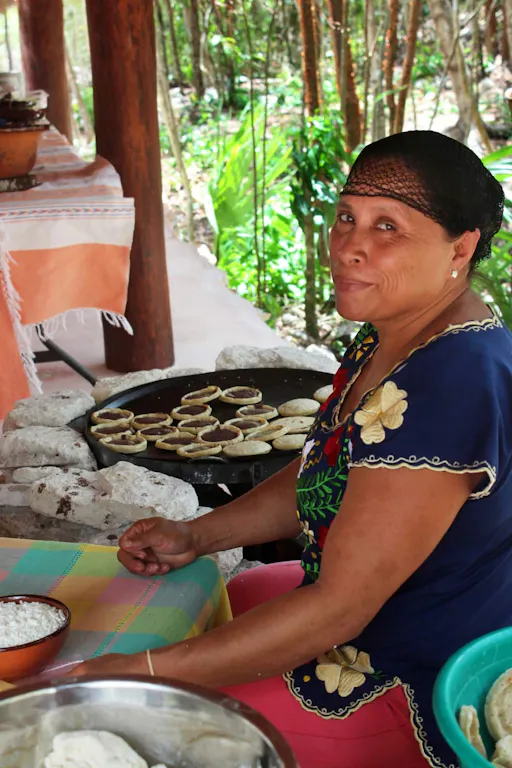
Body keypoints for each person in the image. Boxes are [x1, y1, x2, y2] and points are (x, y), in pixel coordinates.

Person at [73, 131, 512, 768]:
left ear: (461, 247)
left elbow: (339, 609)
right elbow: (324, 469)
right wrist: (199, 536)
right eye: (346, 218)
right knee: (213, 604)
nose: (350, 246)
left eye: (388, 227)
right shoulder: (397, 333)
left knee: (154, 731)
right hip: (377, 608)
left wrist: (135, 674)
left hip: (415, 669)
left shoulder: (452, 382)